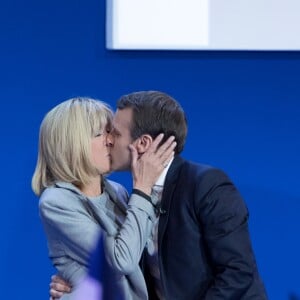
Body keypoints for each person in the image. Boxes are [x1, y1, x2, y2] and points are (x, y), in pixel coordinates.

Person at [50, 91, 268, 299]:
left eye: (115, 133)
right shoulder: (130, 194)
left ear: (143, 143)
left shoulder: (206, 185)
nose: (109, 141)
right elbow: (131, 263)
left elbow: (237, 273)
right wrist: (79, 283)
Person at [31, 97, 176, 299]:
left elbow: (145, 255)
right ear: (72, 144)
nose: (110, 140)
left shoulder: (117, 192)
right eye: (101, 133)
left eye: (111, 131)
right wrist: (143, 188)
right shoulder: (56, 202)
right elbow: (121, 260)